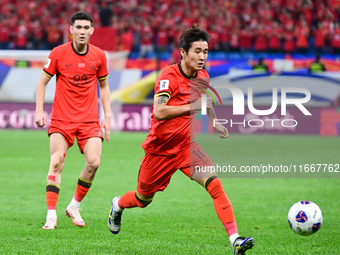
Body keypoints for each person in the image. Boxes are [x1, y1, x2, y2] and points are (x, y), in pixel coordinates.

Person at [108, 25, 254, 254]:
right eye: (197, 51)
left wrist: (214, 121)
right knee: (142, 199)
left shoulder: (203, 77)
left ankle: (235, 240)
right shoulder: (168, 77)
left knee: (215, 184)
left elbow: (203, 100)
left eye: (205, 52)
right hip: (159, 150)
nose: (202, 57)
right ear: (183, 52)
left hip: (186, 146)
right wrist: (193, 107)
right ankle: (117, 205)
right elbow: (159, 111)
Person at [35, 11, 111, 230]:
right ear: (71, 30)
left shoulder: (99, 56)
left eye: (86, 28)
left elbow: (104, 87)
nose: (82, 31)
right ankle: (51, 215)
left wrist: (108, 115)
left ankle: (74, 206)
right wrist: (39, 110)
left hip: (89, 120)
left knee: (94, 162)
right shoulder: (58, 53)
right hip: (62, 119)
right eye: (78, 27)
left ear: (92, 31)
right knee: (57, 161)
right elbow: (42, 83)